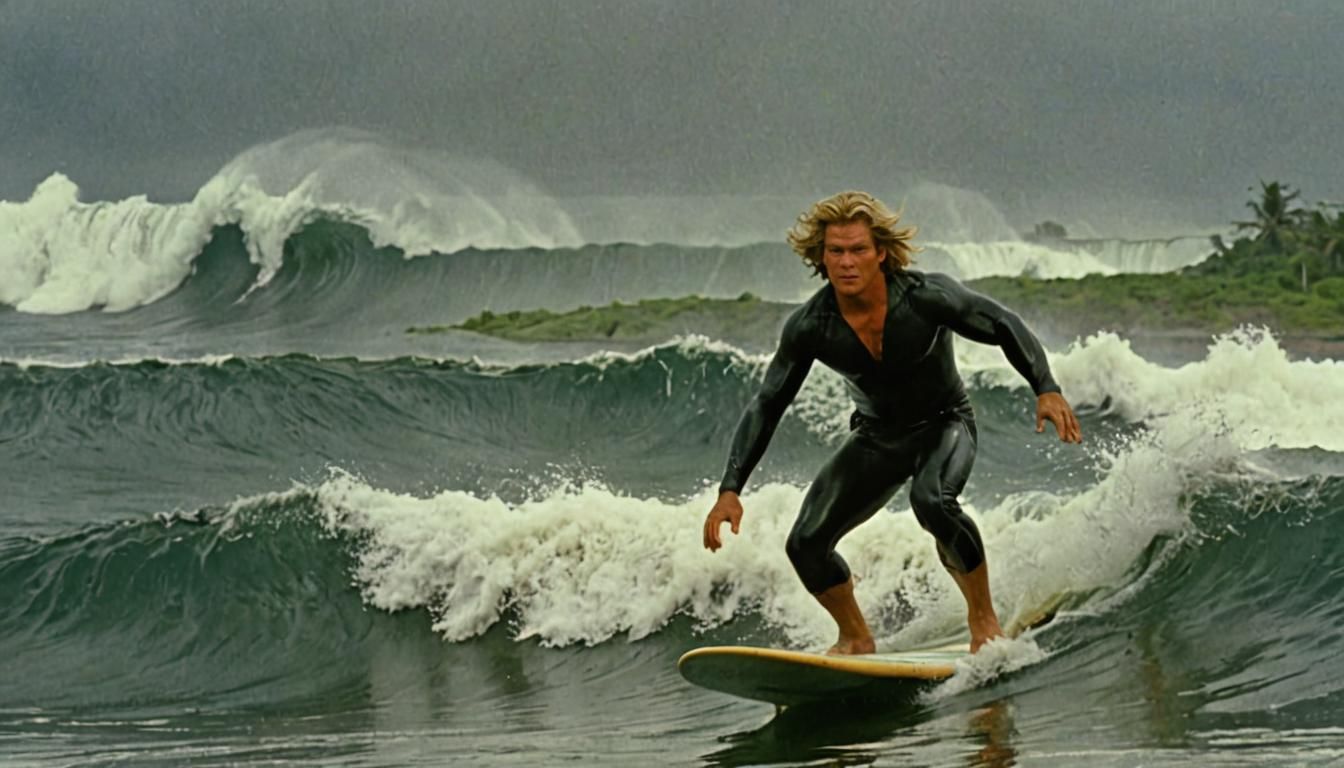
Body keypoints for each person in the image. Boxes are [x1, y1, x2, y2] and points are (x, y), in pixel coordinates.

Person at [702, 191, 1082, 655]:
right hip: (877, 436)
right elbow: (768, 402)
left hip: (945, 423)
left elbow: (1001, 322)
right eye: (836, 251)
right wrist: (730, 489)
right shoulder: (811, 326)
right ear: (821, 258)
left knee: (933, 502)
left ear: (881, 252)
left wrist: (1046, 386)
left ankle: (983, 621)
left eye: (858, 249)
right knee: (805, 543)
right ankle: (856, 638)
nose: (847, 262)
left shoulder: (925, 297)